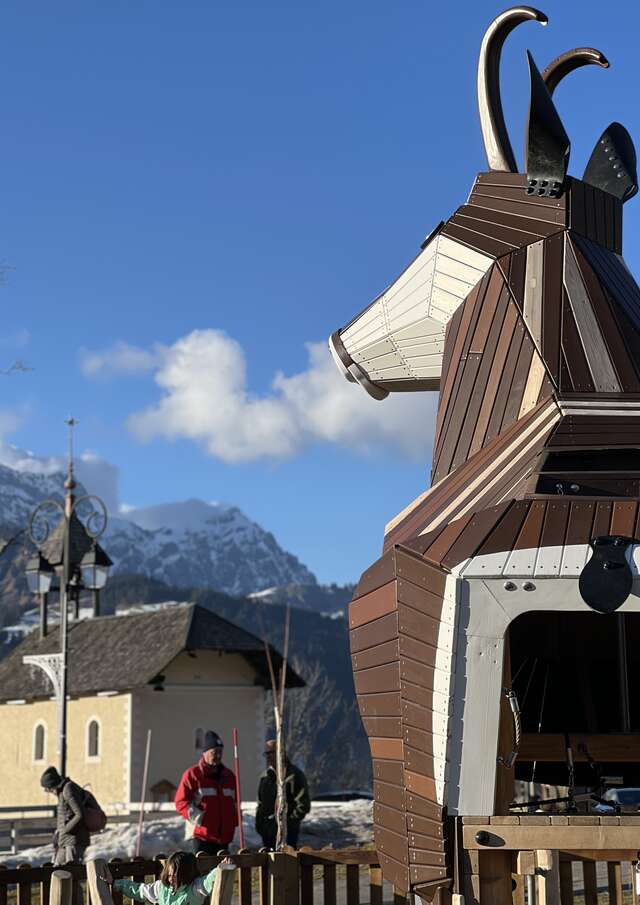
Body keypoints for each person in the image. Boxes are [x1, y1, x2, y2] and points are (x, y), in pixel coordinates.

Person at [175, 731, 238, 855]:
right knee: (202, 868)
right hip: (201, 837)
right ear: (204, 753)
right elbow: (181, 802)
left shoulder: (229, 776)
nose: (218, 756)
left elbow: (234, 803)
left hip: (224, 838)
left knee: (224, 868)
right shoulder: (192, 775)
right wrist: (199, 818)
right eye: (214, 752)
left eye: (220, 752)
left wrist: (233, 822)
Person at [106, 850, 235, 904]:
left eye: (174, 875)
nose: (170, 878)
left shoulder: (194, 889)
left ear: (185, 874)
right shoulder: (161, 888)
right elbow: (140, 890)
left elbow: (208, 881)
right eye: (169, 874)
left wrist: (219, 869)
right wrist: (116, 883)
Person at [255, 740, 310, 849]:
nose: (268, 756)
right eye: (266, 753)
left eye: (271, 753)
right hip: (268, 833)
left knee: (286, 859)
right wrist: (260, 825)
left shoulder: (294, 775)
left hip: (288, 833)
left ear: (281, 752)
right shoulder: (265, 777)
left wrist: (288, 823)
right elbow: (260, 804)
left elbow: (303, 804)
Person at [40, 766, 90, 865]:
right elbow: (66, 815)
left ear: (52, 786)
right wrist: (59, 832)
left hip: (73, 841)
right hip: (65, 840)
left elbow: (80, 814)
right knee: (58, 868)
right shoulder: (63, 791)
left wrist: (66, 829)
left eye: (47, 789)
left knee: (72, 870)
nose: (48, 792)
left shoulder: (68, 790)